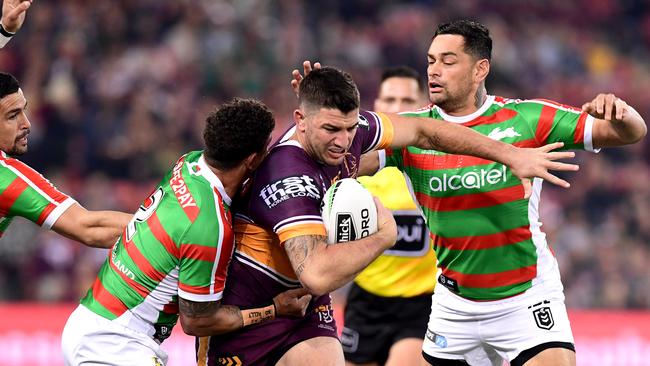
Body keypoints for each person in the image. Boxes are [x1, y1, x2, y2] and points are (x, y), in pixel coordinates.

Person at [199, 66, 578, 366]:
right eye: (331, 129)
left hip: (331, 304)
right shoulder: (287, 177)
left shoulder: (356, 133)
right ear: (301, 120)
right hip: (253, 302)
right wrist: (383, 235)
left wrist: (507, 154)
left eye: (349, 129)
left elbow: (425, 130)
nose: (343, 141)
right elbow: (316, 274)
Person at [362, 20, 646, 366]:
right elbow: (345, 163)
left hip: (526, 298)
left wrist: (620, 112)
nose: (434, 71)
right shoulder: (412, 131)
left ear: (481, 69)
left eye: (448, 62)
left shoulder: (528, 118)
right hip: (455, 305)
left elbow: (628, 132)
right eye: (431, 60)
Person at [61, 98, 313, 366]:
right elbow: (196, 321)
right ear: (252, 160)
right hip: (115, 344)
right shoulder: (208, 227)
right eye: (266, 150)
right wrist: (273, 309)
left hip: (91, 323)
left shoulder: (189, 163)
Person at [342, 66, 436, 366]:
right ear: (377, 107)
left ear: (425, 105)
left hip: (421, 304)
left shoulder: (438, 165)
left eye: (408, 101)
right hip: (366, 299)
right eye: (390, 100)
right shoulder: (356, 169)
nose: (398, 109)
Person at [0, 72, 129, 247]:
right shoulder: (5, 177)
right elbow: (89, 228)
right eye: (13, 115)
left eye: (24, 110)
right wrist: (163, 226)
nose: (27, 123)